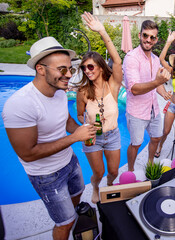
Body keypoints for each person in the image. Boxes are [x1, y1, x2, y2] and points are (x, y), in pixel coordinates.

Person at [2, 37, 96, 240]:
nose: (69, 75)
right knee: (65, 222)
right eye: (62, 69)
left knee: (77, 196)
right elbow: (28, 154)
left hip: (69, 162)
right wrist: (74, 139)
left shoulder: (60, 92)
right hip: (46, 176)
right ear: (40, 69)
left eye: (70, 69)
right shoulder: (20, 105)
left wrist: (83, 131)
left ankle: (69, 217)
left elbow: (67, 121)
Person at [76, 12, 123, 204]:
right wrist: (85, 122)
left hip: (112, 135)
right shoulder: (83, 91)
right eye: (84, 68)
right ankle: (95, 187)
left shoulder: (113, 85)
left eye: (91, 67)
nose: (87, 71)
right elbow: (79, 114)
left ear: (101, 67)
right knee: (98, 172)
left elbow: (118, 61)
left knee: (112, 171)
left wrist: (102, 31)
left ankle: (110, 188)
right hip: (92, 138)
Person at [123, 20, 171, 171]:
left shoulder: (156, 60)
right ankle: (130, 171)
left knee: (156, 138)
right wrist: (157, 82)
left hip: (154, 109)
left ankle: (150, 165)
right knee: (136, 144)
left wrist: (164, 93)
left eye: (152, 37)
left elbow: (157, 85)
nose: (148, 40)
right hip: (137, 111)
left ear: (156, 40)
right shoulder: (131, 58)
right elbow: (135, 89)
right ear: (140, 35)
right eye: (145, 35)